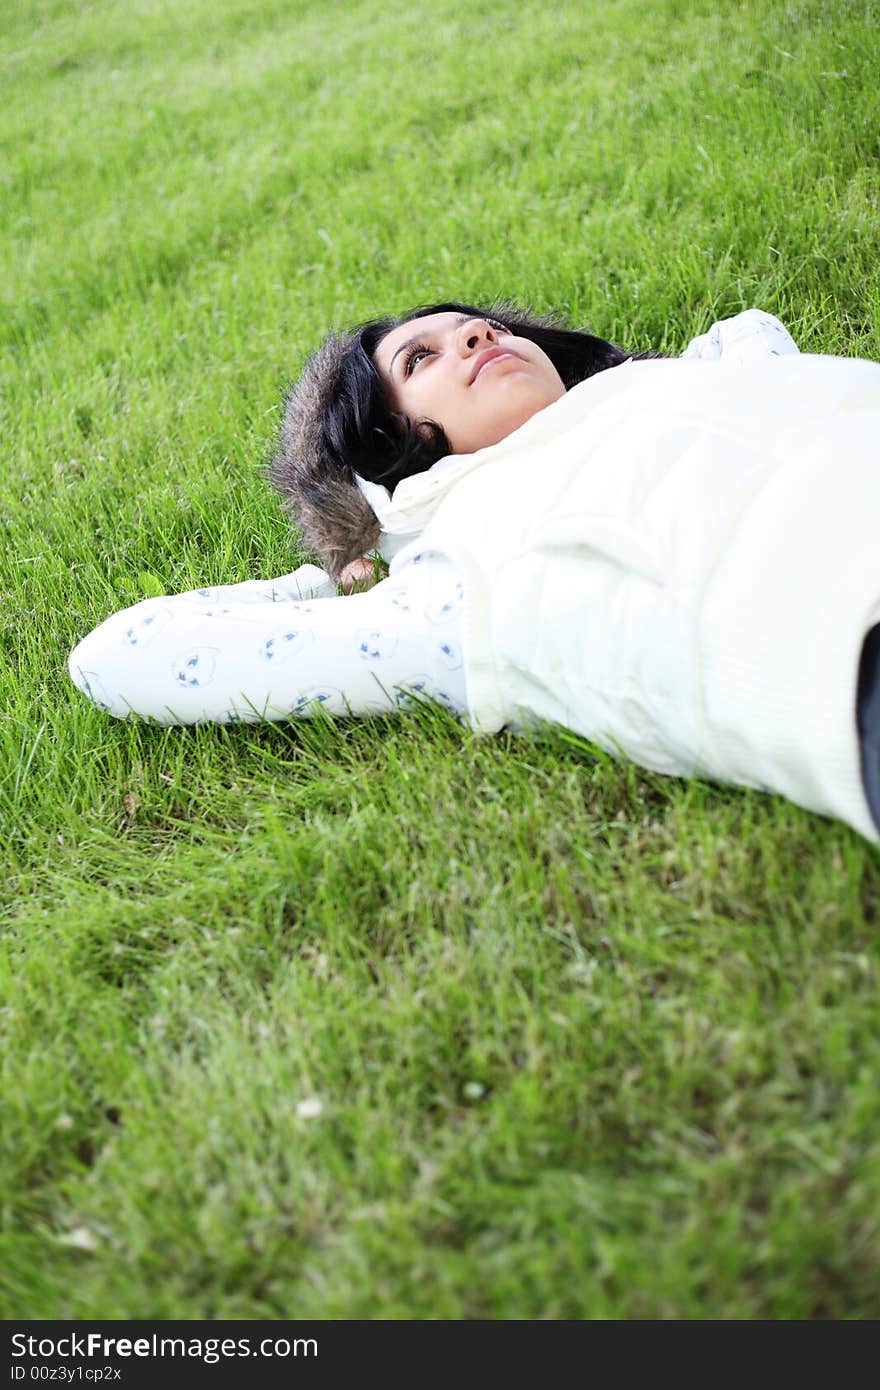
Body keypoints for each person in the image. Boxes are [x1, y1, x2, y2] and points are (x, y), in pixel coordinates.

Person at [68, 303, 880, 844]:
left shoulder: (668, 387)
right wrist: (321, 577)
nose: (478, 337)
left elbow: (747, 329)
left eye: (483, 327)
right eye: (422, 358)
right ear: (377, 453)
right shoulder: (456, 578)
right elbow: (116, 657)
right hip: (848, 635)